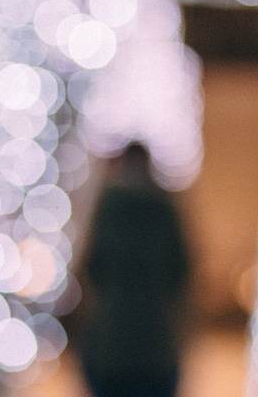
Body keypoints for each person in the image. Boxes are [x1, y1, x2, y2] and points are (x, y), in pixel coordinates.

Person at [71, 142, 190, 397]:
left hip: (111, 344)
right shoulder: (163, 208)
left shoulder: (108, 208)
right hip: (155, 344)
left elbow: (92, 267)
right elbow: (180, 269)